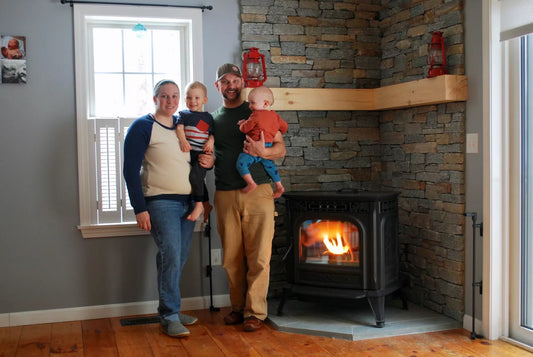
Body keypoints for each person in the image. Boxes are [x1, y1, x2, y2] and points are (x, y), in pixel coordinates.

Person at [123, 79, 210, 338]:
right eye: (164, 96)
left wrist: (210, 159)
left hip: (187, 202)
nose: (170, 101)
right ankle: (170, 314)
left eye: (174, 96)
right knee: (171, 254)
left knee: (177, 257)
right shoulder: (142, 127)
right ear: (155, 99)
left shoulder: (184, 126)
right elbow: (130, 171)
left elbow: (195, 162)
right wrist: (139, 208)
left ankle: (169, 310)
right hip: (160, 202)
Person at [211, 63, 286, 332]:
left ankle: (255, 313)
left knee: (259, 256)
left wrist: (262, 152)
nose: (231, 85)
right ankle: (237, 308)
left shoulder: (258, 110)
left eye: (235, 80)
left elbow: (280, 148)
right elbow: (207, 154)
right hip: (225, 192)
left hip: (260, 191)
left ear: (242, 83)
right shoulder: (213, 119)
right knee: (231, 257)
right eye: (225, 81)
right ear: (217, 85)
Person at [237, 86, 288, 198]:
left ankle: (251, 183)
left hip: (254, 146)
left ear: (265, 103)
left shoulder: (255, 115)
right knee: (269, 165)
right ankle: (279, 185)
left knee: (241, 163)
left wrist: (241, 124)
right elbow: (284, 127)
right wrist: (275, 131)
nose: (250, 106)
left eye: (252, 103)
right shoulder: (276, 116)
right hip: (268, 145)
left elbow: (245, 129)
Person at [176, 81, 214, 221]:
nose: (193, 101)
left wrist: (211, 141)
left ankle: (199, 205)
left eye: (197, 98)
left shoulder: (208, 117)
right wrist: (183, 140)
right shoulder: (184, 115)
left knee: (195, 177)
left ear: (205, 100)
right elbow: (179, 128)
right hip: (188, 152)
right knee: (196, 178)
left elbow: (212, 133)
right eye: (189, 97)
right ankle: (206, 203)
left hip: (202, 153)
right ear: (185, 99)